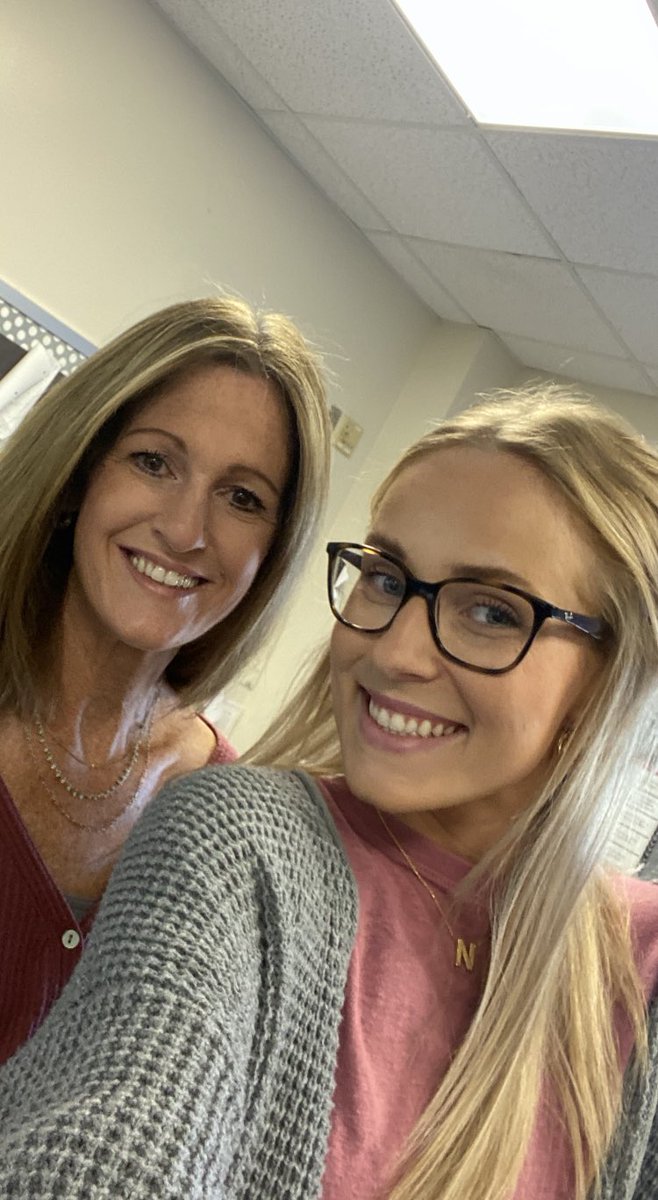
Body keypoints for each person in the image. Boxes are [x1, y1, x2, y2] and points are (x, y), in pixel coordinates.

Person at [0, 385, 657, 1200]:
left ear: (610, 678)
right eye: (386, 578)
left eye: (490, 609)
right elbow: (108, 1141)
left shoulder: (639, 965)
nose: (397, 652)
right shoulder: (235, 843)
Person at [0, 294, 330, 1065]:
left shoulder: (227, 821)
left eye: (243, 497)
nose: (187, 531)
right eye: (154, 461)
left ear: (271, 553)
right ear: (81, 471)